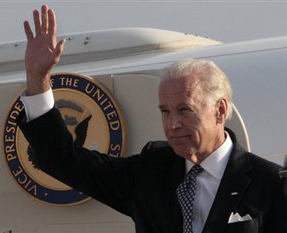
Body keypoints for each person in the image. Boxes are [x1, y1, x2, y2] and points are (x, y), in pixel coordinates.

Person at [18, 5, 287, 233]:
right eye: (165, 111)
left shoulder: (271, 184)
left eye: (184, 110)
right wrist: (37, 79)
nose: (172, 125)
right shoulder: (151, 173)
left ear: (219, 110)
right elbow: (63, 160)